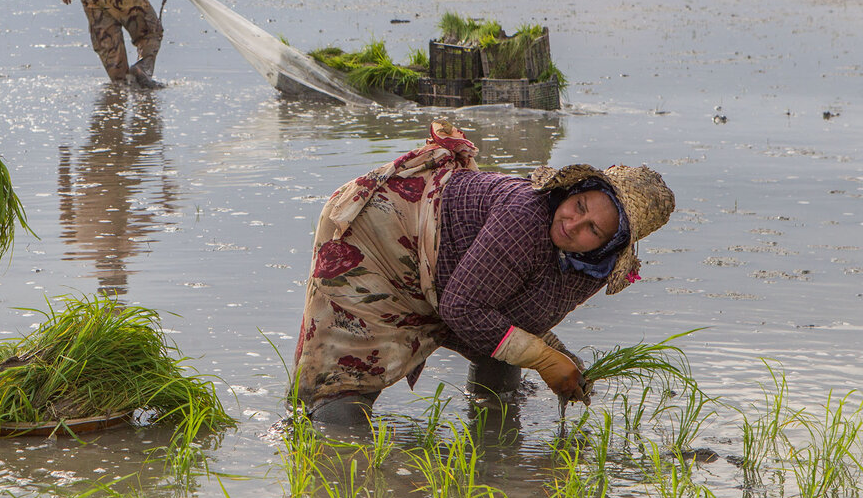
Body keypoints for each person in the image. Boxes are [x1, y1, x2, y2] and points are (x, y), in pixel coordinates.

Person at [288, 120, 675, 424]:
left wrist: (560, 358)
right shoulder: (524, 216)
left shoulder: (588, 270)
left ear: (609, 247)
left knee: (502, 347)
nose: (574, 224)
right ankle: (334, 468)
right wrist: (542, 358)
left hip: (444, 269)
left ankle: (494, 442)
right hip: (381, 236)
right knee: (342, 389)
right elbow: (463, 309)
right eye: (579, 205)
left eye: (593, 229)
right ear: (571, 190)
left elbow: (513, 316)